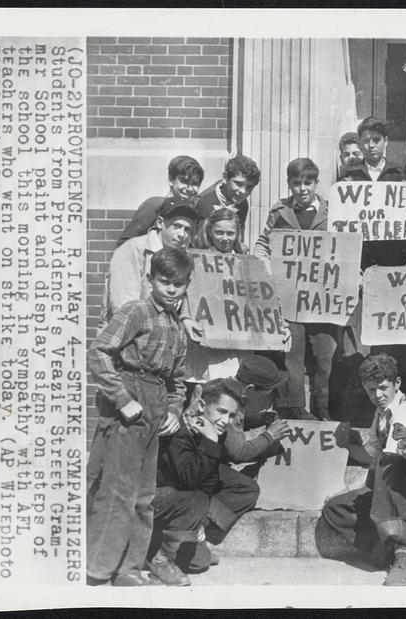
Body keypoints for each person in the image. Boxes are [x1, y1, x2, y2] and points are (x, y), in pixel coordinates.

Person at [85, 247, 192, 586]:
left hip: (156, 405)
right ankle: (98, 568)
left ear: (187, 285)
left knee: (144, 496)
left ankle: (128, 569)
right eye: (165, 282)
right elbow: (98, 351)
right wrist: (122, 399)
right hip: (130, 399)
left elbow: (177, 380)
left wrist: (174, 409)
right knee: (117, 490)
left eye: (179, 283)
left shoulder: (179, 328)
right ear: (150, 279)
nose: (171, 289)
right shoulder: (136, 311)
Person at [152, 378, 288, 585]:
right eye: (222, 412)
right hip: (157, 498)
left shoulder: (213, 428)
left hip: (189, 495)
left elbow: (207, 482)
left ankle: (194, 531)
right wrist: (211, 442)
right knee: (195, 505)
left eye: (231, 415)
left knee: (200, 561)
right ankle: (160, 558)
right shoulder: (181, 431)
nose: (226, 420)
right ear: (201, 406)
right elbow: (189, 482)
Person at [323, 353, 406, 586]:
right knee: (335, 508)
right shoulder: (380, 415)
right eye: (371, 390)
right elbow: (371, 454)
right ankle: (383, 550)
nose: (378, 396)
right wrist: (346, 445)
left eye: (383, 388)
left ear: (397, 384)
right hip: (387, 489)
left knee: (388, 462)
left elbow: (391, 460)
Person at [253, 157, 335, 421]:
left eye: (308, 182)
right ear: (289, 184)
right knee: (293, 354)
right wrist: (264, 269)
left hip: (323, 299)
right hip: (290, 297)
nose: (302, 188)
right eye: (296, 183)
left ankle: (322, 408)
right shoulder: (279, 212)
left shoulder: (331, 212)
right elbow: (263, 244)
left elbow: (347, 246)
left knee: (324, 356)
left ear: (316, 183)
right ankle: (294, 409)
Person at [105, 196, 198, 319]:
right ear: (160, 223)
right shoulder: (133, 249)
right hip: (132, 330)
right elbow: (124, 307)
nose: (182, 235)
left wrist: (185, 317)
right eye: (176, 226)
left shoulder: (184, 254)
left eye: (187, 230)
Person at [183, 207, 247, 383]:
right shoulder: (197, 259)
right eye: (219, 233)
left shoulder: (245, 261)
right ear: (210, 232)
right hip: (206, 335)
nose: (225, 238)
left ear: (237, 234)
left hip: (234, 337)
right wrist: (185, 318)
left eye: (230, 233)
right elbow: (189, 293)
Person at [116, 155, 205, 247]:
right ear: (171, 180)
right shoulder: (154, 205)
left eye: (194, 183)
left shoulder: (194, 211)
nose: (189, 188)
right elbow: (125, 244)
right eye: (184, 181)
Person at [194, 154, 262, 246]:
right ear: (225, 178)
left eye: (249, 187)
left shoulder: (242, 203)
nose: (243, 191)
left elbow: (238, 239)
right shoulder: (203, 202)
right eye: (238, 184)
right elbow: (197, 242)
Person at [337, 116, 405, 182]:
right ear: (360, 142)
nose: (371, 145)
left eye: (376, 140)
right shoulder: (351, 174)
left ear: (385, 141)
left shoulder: (397, 173)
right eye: (366, 141)